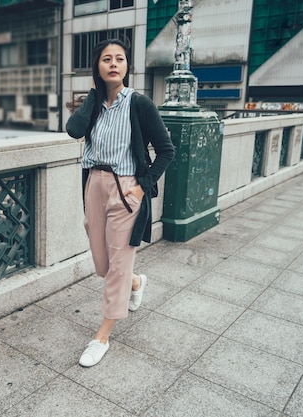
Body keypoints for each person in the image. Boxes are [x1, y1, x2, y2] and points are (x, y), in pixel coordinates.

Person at [66, 39, 175, 367]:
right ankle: (137, 282)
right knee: (103, 264)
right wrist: (95, 96)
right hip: (94, 186)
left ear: (128, 65)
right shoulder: (95, 105)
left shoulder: (139, 104)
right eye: (106, 59)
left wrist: (142, 188)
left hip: (126, 189)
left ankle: (102, 336)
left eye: (120, 59)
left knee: (116, 266)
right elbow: (73, 130)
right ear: (97, 67)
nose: (113, 64)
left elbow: (166, 150)